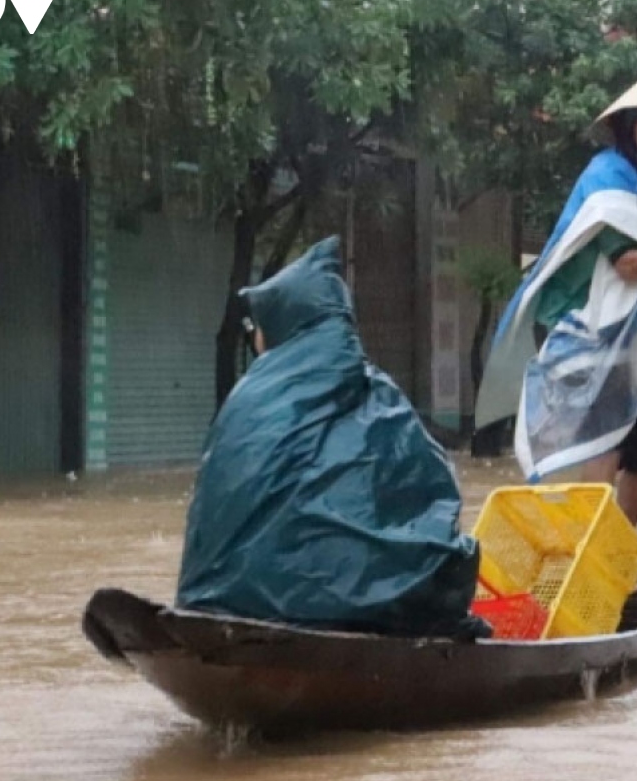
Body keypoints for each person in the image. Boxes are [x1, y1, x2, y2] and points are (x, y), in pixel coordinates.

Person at [176, 236, 487, 638]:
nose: (255, 338)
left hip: (215, 601)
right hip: (343, 612)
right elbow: (430, 494)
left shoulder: (244, 398)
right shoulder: (378, 397)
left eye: (258, 326)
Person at [475, 71, 637, 525]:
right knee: (603, 441)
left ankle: (608, 549)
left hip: (631, 337)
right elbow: (630, 264)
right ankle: (586, 548)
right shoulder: (608, 176)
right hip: (585, 329)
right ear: (628, 128)